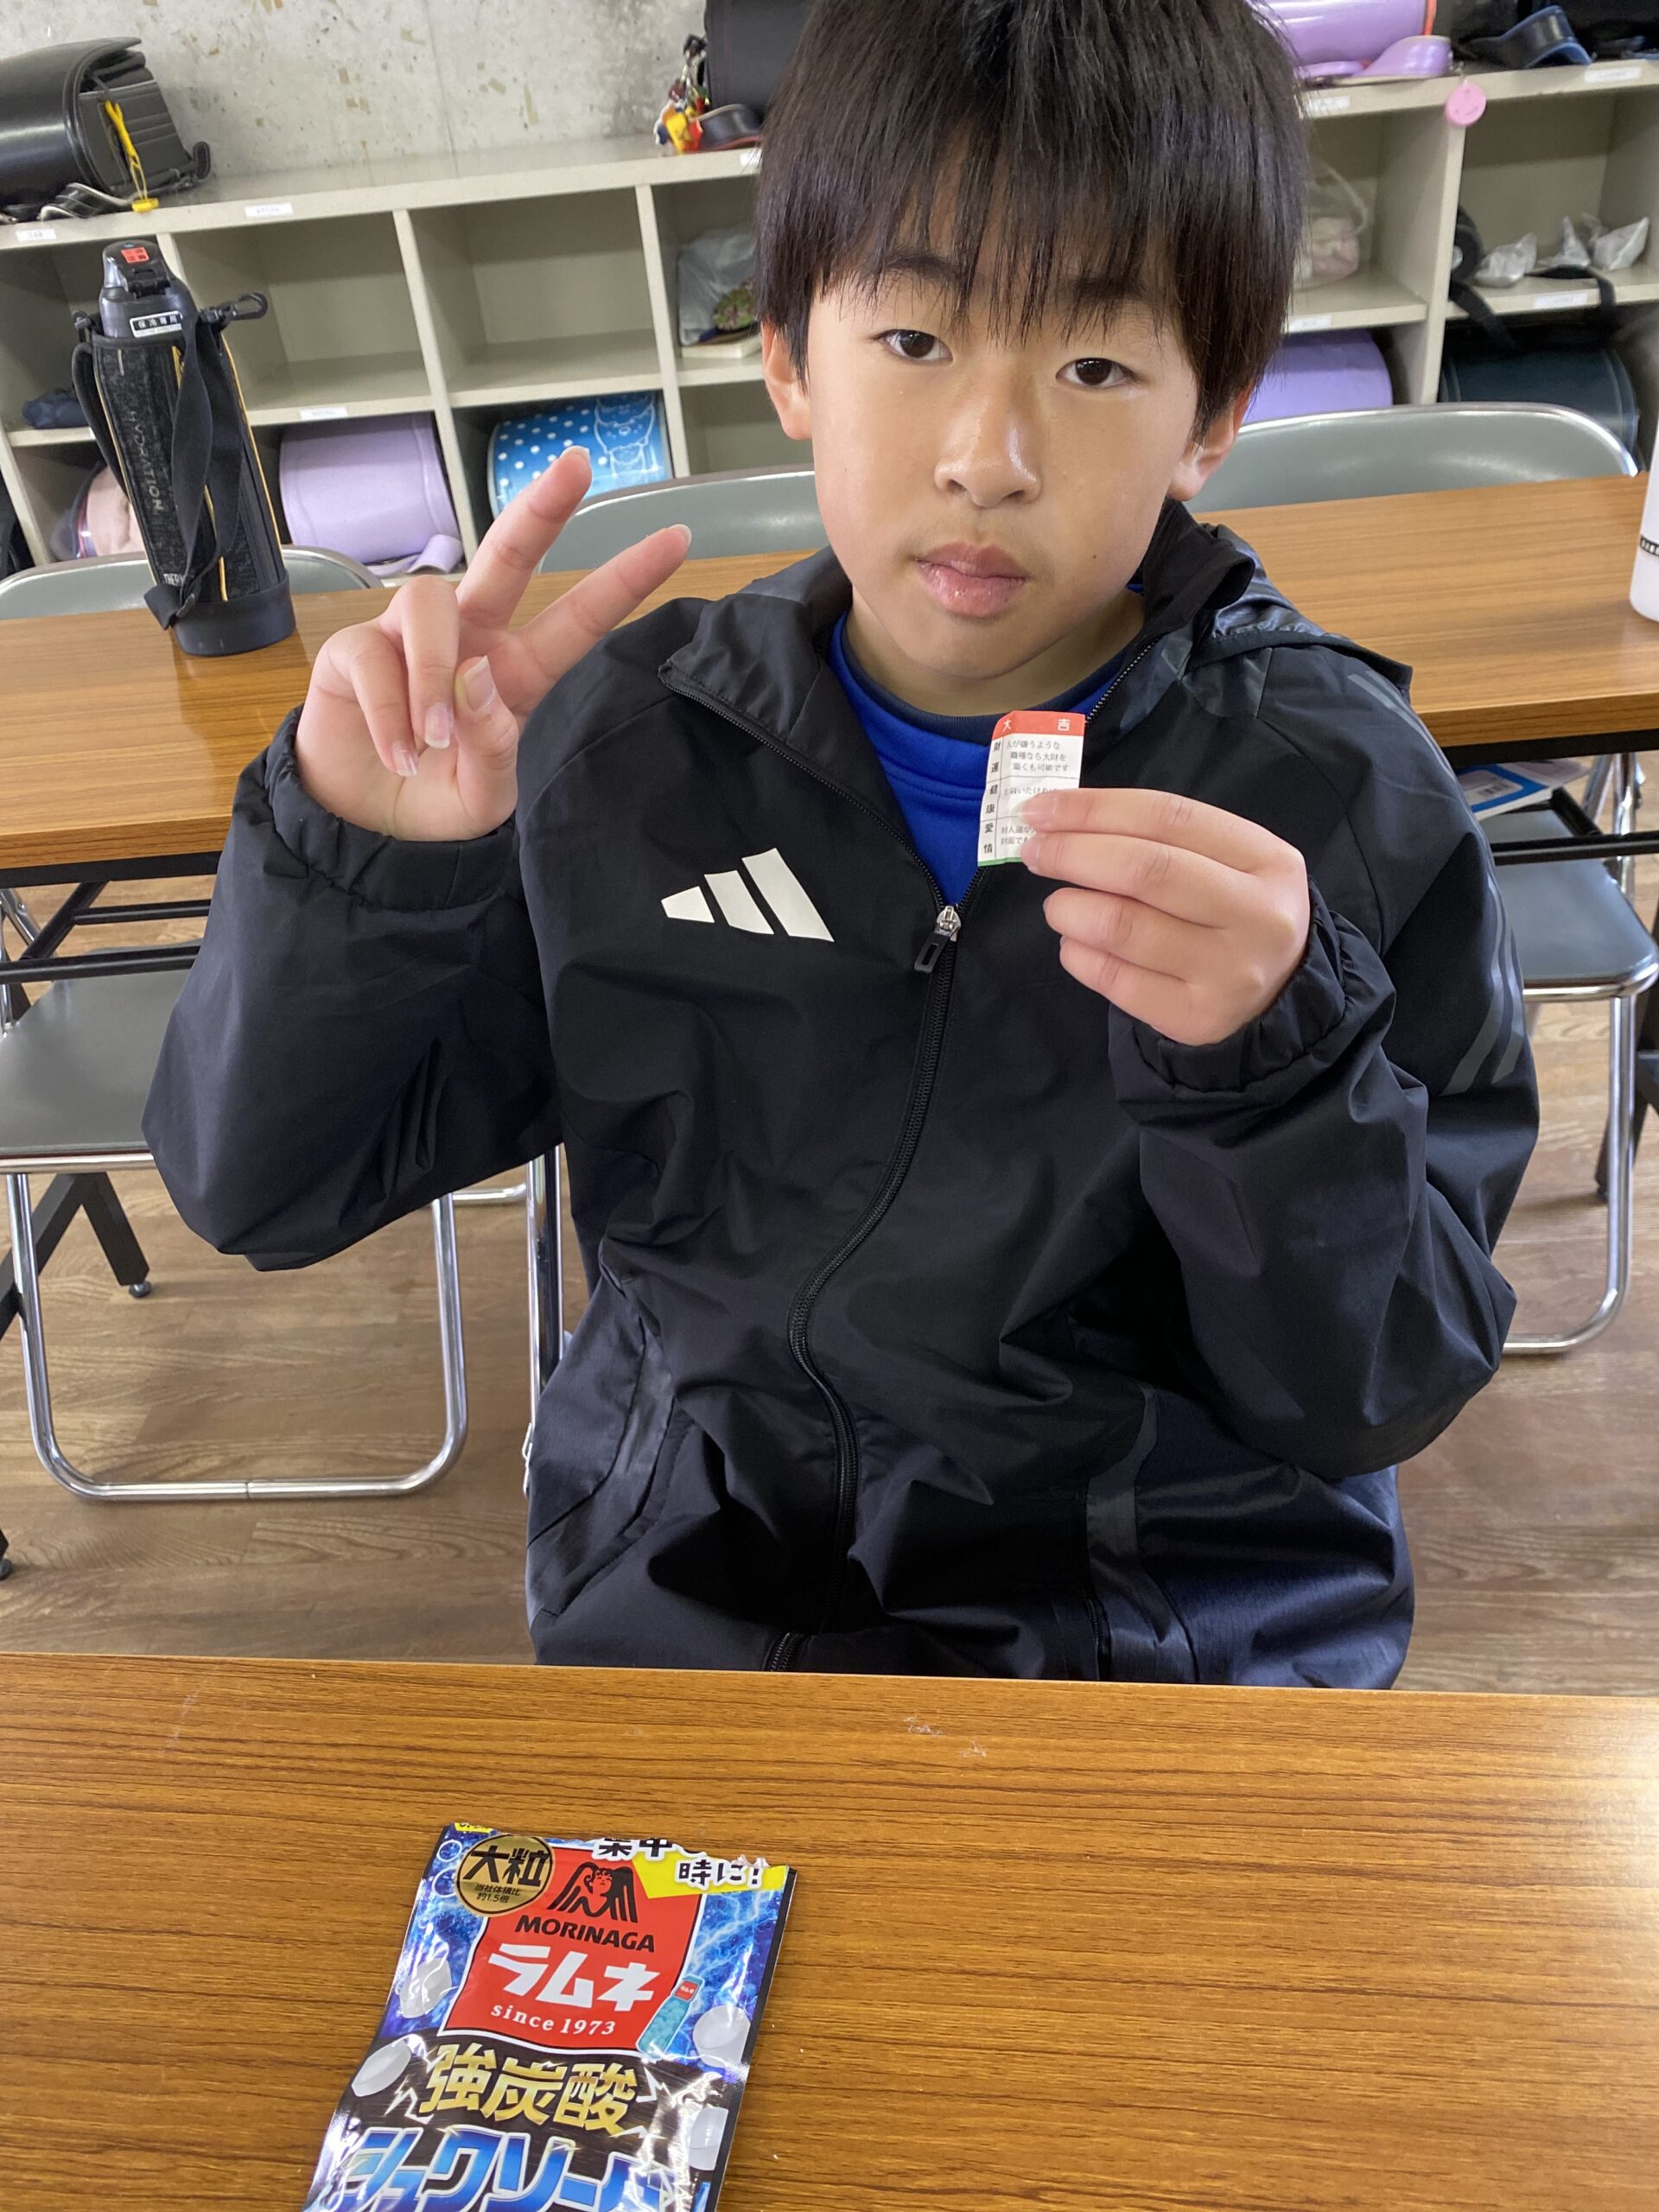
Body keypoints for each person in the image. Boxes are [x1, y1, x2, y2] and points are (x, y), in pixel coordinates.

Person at [145, 0, 1537, 1688]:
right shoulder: (618, 750)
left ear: (1212, 416)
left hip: (1167, 1633)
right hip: (695, 1603)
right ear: (791, 358)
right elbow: (262, 1188)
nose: (988, 460)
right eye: (915, 337)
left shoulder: (1333, 793)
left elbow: (1373, 1391)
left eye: (1096, 367)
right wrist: (369, 866)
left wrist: (1277, 1076)